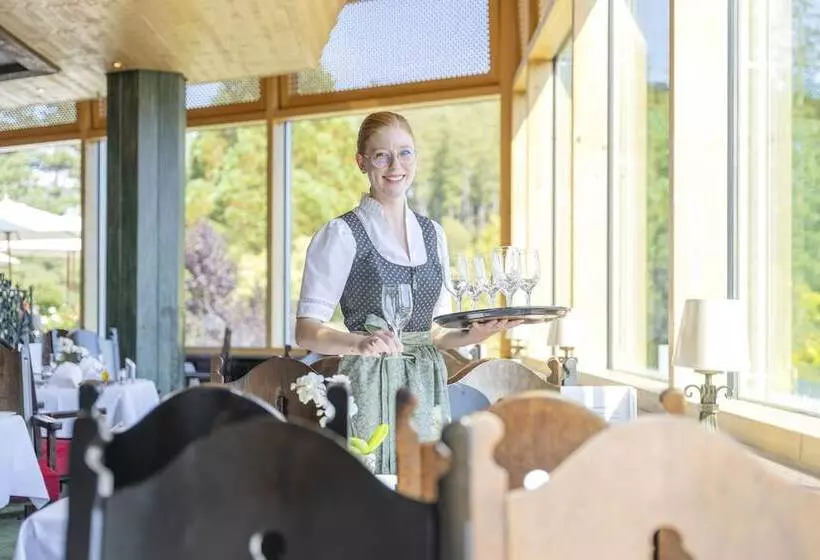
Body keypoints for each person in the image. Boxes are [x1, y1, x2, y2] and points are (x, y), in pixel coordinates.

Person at [295, 111, 521, 474]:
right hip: (369, 382)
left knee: (425, 482)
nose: (395, 165)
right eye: (381, 155)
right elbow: (306, 330)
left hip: (425, 384)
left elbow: (431, 332)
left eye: (405, 153)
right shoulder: (341, 234)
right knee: (373, 487)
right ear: (362, 163)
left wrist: (471, 334)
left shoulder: (434, 235)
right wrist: (358, 344)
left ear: (416, 158)